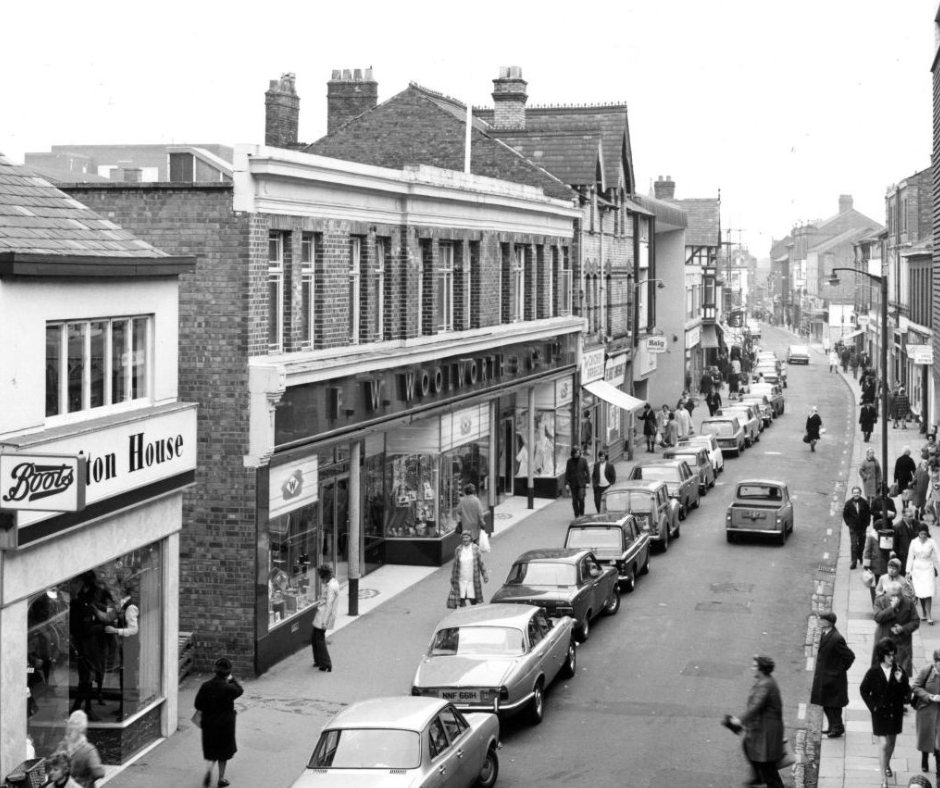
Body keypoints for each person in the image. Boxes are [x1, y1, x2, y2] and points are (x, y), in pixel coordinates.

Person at [727, 655, 785, 788]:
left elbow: (755, 706)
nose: (752, 668)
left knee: (767, 765)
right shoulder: (765, 681)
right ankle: (758, 776)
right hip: (763, 728)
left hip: (767, 732)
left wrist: (739, 720)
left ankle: (762, 778)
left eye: (754, 666)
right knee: (749, 748)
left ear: (761, 669)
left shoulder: (765, 685)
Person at [860, 637, 911, 787]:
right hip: (880, 714)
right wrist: (873, 707)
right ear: (882, 655)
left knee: (891, 743)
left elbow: (907, 694)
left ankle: (887, 764)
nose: (892, 657)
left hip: (895, 713)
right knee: (883, 744)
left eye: (893, 654)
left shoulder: (899, 671)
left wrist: (901, 681)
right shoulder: (874, 671)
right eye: (889, 654)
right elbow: (863, 690)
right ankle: (884, 780)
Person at [194, 657, 244, 788]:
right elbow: (240, 690)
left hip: (209, 724)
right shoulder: (229, 689)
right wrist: (232, 679)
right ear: (228, 672)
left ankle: (209, 769)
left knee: (212, 749)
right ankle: (221, 778)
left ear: (214, 671)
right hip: (225, 725)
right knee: (223, 752)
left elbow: (197, 704)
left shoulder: (205, 686)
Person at [811, 612, 855, 738]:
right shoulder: (826, 634)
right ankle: (832, 726)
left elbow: (850, 656)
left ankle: (837, 727)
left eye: (821, 620)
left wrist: (838, 671)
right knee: (826, 703)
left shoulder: (836, 638)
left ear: (828, 622)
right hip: (825, 676)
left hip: (833, 678)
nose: (819, 621)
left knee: (833, 705)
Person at [103, 577, 139, 721]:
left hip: (130, 647)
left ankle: (129, 710)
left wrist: (115, 631)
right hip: (126, 647)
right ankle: (124, 707)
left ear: (122, 590)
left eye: (116, 589)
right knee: (124, 677)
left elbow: (134, 629)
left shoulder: (130, 607)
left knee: (128, 677)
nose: (113, 592)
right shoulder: (123, 606)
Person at [873, 581, 920, 677]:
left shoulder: (908, 602)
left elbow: (915, 621)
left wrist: (903, 628)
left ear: (902, 593)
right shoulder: (880, 600)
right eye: (892, 595)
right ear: (886, 593)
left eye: (898, 595)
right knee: (882, 673)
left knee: (901, 674)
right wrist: (891, 608)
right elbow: (878, 617)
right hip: (884, 640)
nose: (895, 598)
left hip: (902, 642)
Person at [912, 649, 940, 777]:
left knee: (938, 740)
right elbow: (916, 687)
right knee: (926, 736)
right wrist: (929, 696)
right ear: (935, 662)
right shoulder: (926, 670)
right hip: (926, 709)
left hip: (938, 711)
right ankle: (924, 758)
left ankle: (939, 768)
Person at [61, 710, 105, 788]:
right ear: (82, 729)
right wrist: (88, 779)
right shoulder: (89, 750)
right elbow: (98, 773)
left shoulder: (63, 746)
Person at [907, 523, 940, 623]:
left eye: (925, 534)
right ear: (918, 533)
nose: (923, 536)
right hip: (917, 569)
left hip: (928, 568)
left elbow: (938, 554)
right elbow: (910, 557)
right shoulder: (913, 542)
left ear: (927, 533)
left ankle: (929, 615)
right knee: (920, 592)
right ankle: (924, 612)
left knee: (928, 591)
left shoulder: (931, 542)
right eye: (921, 534)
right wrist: (908, 571)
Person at [311, 564, 340, 671]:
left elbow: (329, 605)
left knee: (319, 639)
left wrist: (324, 622)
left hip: (323, 616)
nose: (321, 579)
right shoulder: (332, 583)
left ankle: (326, 663)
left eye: (321, 577)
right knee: (315, 638)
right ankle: (319, 661)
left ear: (325, 576)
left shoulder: (331, 587)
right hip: (322, 615)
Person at [449, 530, 488, 607]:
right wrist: (453, 577)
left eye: (467, 537)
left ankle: (473, 613)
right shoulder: (458, 549)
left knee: (473, 598)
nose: (465, 539)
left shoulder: (475, 549)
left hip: (472, 579)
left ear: (470, 538)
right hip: (461, 579)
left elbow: (481, 563)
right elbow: (455, 565)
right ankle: (464, 613)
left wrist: (485, 575)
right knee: (461, 598)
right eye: (463, 538)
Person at [843, 486, 871, 570]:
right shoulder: (848, 503)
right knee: (854, 544)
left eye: (858, 492)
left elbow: (868, 514)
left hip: (862, 527)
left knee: (862, 544)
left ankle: (861, 557)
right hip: (853, 528)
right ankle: (854, 561)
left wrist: (867, 523)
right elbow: (845, 515)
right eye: (854, 493)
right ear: (852, 493)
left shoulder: (865, 502)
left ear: (860, 493)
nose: (856, 494)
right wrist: (849, 524)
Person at [895, 507, 922, 575]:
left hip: (915, 555)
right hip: (904, 556)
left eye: (912, 516)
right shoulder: (897, 527)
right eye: (909, 516)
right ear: (904, 517)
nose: (911, 518)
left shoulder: (917, 524)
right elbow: (895, 544)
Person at [564, 447, 590, 517]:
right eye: (576, 453)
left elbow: (587, 471)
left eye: (578, 453)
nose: (577, 454)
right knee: (574, 500)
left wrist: (588, 482)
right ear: (573, 453)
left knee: (581, 498)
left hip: (581, 483)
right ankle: (576, 514)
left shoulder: (583, 460)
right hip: (573, 484)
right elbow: (567, 472)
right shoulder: (569, 461)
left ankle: (582, 514)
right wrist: (566, 483)